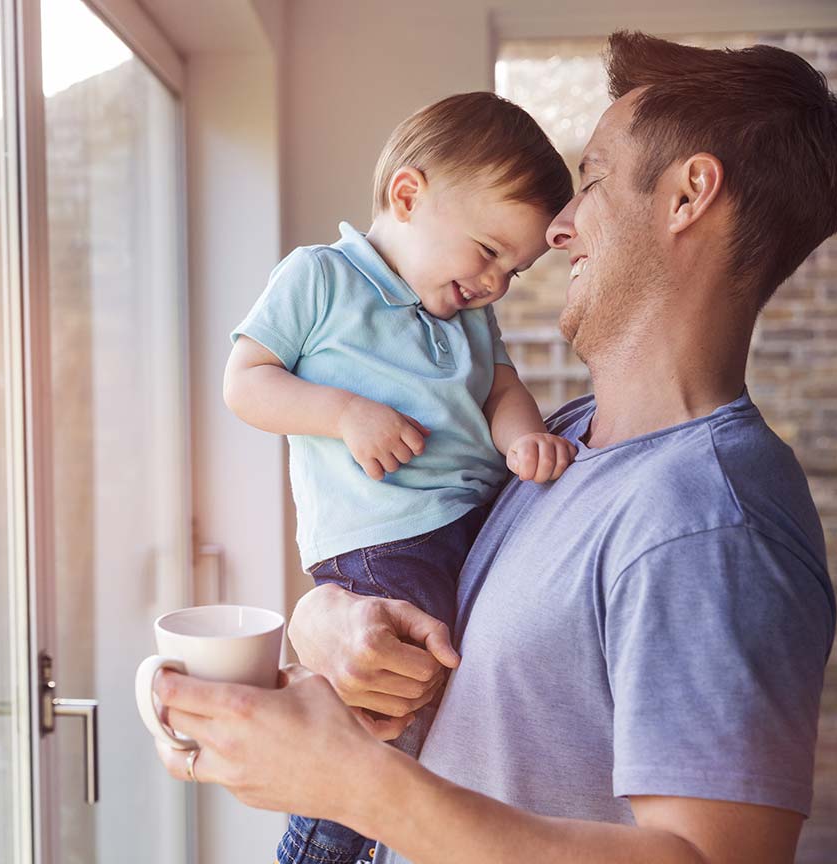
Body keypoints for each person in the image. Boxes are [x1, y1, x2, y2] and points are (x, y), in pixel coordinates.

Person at [151, 30, 837, 863]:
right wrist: (330, 619)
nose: (559, 227)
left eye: (593, 180)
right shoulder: (560, 444)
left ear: (688, 197)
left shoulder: (712, 522)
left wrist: (354, 784)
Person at [224, 92, 576, 863]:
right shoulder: (321, 278)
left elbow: (502, 391)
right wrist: (344, 412)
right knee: (394, 713)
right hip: (384, 541)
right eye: (488, 252)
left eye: (514, 270)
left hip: (471, 526)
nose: (495, 284)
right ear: (408, 196)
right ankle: (314, 849)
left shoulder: (472, 319)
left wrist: (526, 440)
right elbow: (246, 381)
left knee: (454, 702)